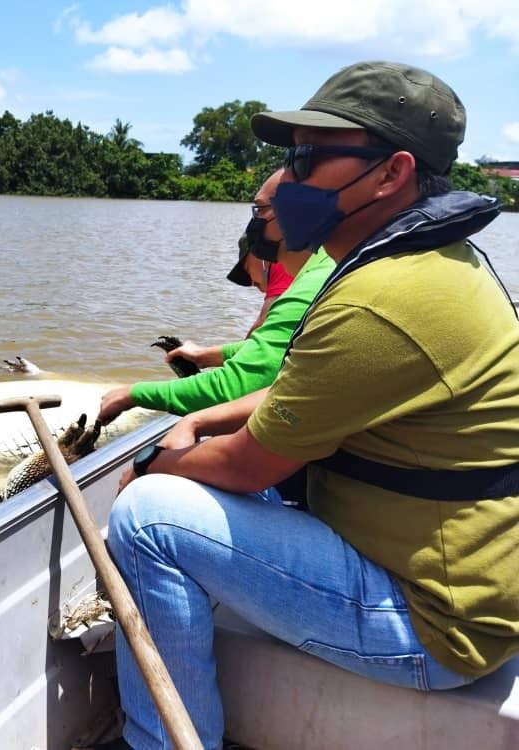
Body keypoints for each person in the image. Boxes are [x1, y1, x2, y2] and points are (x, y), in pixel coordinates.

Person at [107, 62, 519, 750]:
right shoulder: (434, 263)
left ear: (391, 175)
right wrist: (205, 417)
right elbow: (315, 387)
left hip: (435, 626)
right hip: (461, 584)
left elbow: (244, 469)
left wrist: (154, 464)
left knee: (147, 516)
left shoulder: (382, 298)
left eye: (307, 158)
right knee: (198, 477)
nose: (289, 180)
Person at [98, 169, 334, 425]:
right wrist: (205, 355)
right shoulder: (324, 264)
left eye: (259, 210)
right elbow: (275, 349)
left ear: (296, 214)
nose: (254, 223)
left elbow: (233, 389)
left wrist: (131, 393)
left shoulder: (309, 286)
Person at [226, 236, 295, 336]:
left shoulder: (280, 265)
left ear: (254, 256)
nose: (252, 282)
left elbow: (260, 327)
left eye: (247, 270)